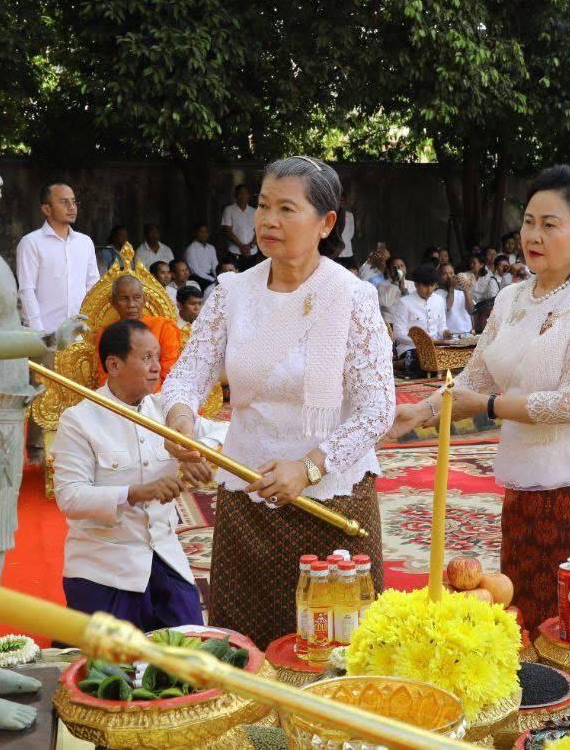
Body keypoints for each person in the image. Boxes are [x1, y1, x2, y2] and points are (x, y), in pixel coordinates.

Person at [390, 166, 570, 633]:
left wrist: (489, 408)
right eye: (529, 222)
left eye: (550, 225)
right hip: (528, 477)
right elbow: (476, 374)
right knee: (524, 608)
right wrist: (423, 411)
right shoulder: (513, 297)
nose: (532, 235)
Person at [160, 155, 394, 647]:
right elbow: (185, 379)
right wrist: (179, 421)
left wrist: (307, 468)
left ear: (326, 223)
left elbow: (377, 407)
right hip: (248, 501)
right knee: (244, 651)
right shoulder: (231, 293)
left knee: (335, 656)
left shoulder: (350, 297)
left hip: (332, 502)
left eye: (286, 209)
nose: (268, 220)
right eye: (263, 206)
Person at [52, 320, 219, 630]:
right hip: (104, 566)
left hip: (164, 557)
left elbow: (225, 430)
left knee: (195, 652)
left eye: (157, 357)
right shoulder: (79, 420)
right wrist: (137, 492)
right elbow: (70, 497)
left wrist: (195, 450)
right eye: (146, 358)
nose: (157, 367)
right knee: (110, 670)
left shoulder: (164, 411)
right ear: (113, 365)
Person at [16, 183, 99, 332]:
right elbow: (27, 290)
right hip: (46, 332)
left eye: (74, 202)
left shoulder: (85, 242)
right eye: (64, 202)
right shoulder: (31, 243)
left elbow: (93, 286)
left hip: (80, 333)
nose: (72, 207)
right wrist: (39, 333)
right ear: (46, 209)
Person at [94, 275, 182, 389]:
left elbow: (170, 374)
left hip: (158, 398)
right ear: (113, 302)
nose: (131, 305)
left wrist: (149, 403)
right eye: (124, 298)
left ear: (144, 299)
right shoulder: (107, 334)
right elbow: (105, 376)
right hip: (119, 400)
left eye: (136, 297)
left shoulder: (164, 327)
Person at [390, 264, 446, 375]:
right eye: (425, 286)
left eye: (432, 286)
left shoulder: (439, 300)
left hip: (435, 348)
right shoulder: (404, 302)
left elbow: (442, 328)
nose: (429, 290)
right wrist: (424, 342)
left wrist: (446, 333)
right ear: (416, 284)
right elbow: (399, 333)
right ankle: (399, 363)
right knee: (421, 361)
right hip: (411, 349)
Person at [220, 183, 258, 269]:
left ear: (249, 195)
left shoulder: (254, 211)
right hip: (235, 251)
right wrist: (241, 246)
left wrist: (251, 245)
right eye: (240, 193)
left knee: (250, 279)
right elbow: (228, 231)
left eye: (245, 193)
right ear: (236, 195)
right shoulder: (229, 210)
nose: (243, 195)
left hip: (252, 252)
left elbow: (259, 231)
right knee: (235, 278)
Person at [436, 262, 474, 335]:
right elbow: (448, 308)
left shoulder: (461, 293)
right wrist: (451, 288)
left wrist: (466, 290)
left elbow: (471, 311)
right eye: (445, 274)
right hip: (449, 335)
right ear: (439, 278)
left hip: (467, 334)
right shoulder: (437, 294)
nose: (449, 277)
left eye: (451, 273)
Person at [184, 224, 219, 291]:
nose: (204, 234)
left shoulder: (211, 248)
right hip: (197, 278)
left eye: (206, 232)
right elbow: (195, 270)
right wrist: (212, 279)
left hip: (210, 276)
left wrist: (217, 277)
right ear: (196, 233)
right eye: (201, 232)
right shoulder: (191, 249)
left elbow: (215, 265)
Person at [376, 257, 408, 325]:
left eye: (401, 266)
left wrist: (404, 290)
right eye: (395, 267)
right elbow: (386, 303)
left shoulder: (413, 285)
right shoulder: (382, 285)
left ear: (405, 269)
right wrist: (395, 282)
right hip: (390, 324)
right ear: (389, 270)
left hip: (406, 323)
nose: (398, 268)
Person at [336, 189, 357, 268]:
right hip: (334, 251)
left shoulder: (349, 215)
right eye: (339, 200)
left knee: (352, 270)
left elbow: (351, 232)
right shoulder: (332, 215)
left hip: (347, 249)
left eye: (343, 200)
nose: (341, 203)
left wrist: (345, 240)